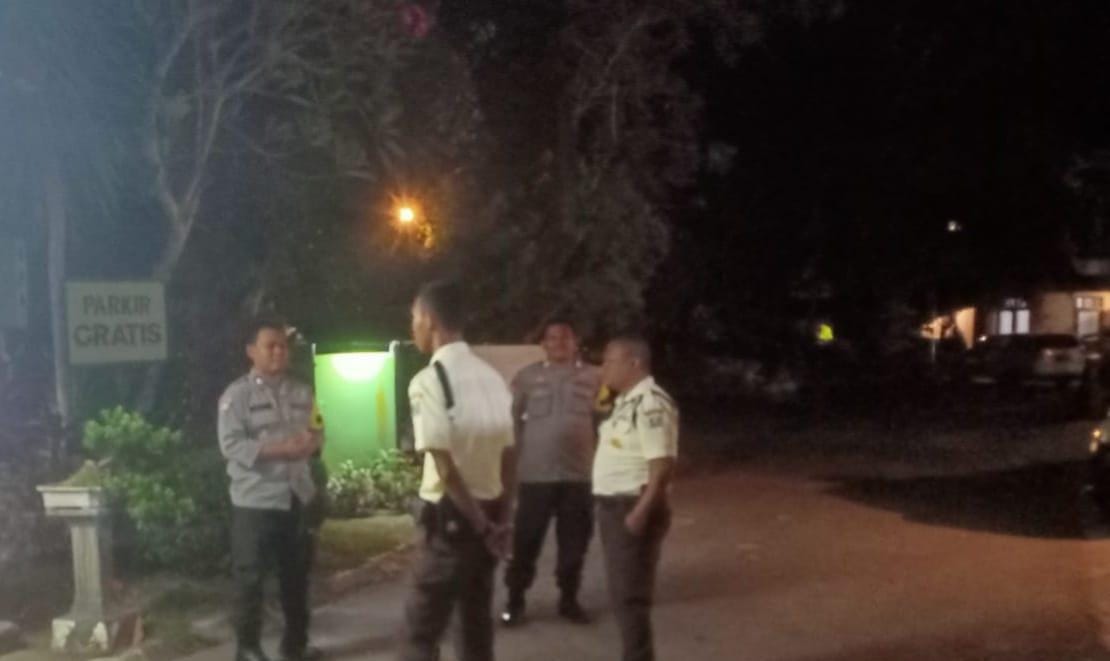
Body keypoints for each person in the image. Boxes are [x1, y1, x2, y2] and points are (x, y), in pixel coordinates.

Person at [398, 280, 516, 661]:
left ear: (429, 320)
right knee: (475, 626)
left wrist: (481, 525)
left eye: (414, 318)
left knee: (420, 631)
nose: (412, 327)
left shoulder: (429, 381)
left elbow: (444, 465)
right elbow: (510, 453)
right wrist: (502, 521)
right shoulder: (493, 378)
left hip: (453, 520)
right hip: (490, 514)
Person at [218, 317, 324, 661]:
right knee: (250, 579)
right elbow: (231, 445)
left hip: (296, 496)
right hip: (256, 500)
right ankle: (248, 648)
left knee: (296, 577)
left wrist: (313, 443)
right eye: (271, 346)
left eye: (283, 345)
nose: (279, 351)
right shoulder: (237, 397)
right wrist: (282, 450)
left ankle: (296, 645)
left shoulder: (303, 391)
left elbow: (318, 429)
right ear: (252, 351)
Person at [501, 320, 599, 626]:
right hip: (535, 476)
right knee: (525, 543)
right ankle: (514, 602)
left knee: (574, 544)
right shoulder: (527, 378)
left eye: (565, 337)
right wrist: (512, 463)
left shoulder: (596, 377)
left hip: (578, 476)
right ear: (543, 344)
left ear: (575, 342)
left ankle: (569, 600)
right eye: (552, 338)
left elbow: (608, 419)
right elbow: (511, 421)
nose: (559, 343)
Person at [592, 336, 679, 661]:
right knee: (623, 595)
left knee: (630, 598)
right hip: (616, 507)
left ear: (634, 363)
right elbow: (599, 411)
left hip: (631, 506)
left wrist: (640, 513)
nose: (603, 368)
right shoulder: (625, 400)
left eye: (609, 362)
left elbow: (662, 463)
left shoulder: (651, 403)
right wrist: (606, 386)